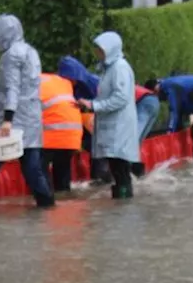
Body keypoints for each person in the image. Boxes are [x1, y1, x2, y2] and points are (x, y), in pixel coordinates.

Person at [0, 14, 55, 209]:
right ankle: (47, 205)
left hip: (14, 120)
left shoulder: (10, 56)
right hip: (32, 120)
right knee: (32, 168)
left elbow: (12, 88)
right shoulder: (31, 52)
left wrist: (7, 120)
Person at [75, 32, 140, 199]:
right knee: (116, 168)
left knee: (120, 168)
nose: (97, 53)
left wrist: (94, 105)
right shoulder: (108, 69)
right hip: (112, 126)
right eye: (97, 49)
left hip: (119, 127)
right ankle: (120, 205)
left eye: (101, 50)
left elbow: (121, 97)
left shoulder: (120, 68)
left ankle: (124, 206)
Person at [57, 55, 112, 186]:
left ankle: (103, 180)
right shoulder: (65, 86)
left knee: (98, 149)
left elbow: (107, 103)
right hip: (80, 122)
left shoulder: (93, 83)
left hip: (99, 119)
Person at [39, 72, 84, 192]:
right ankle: (65, 201)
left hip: (51, 136)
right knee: (62, 175)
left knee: (39, 170)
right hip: (72, 137)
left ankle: (46, 203)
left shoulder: (31, 84)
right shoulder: (62, 82)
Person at [131, 82, 160, 177]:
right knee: (138, 141)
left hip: (144, 102)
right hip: (155, 102)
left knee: (133, 137)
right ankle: (138, 173)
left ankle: (133, 171)